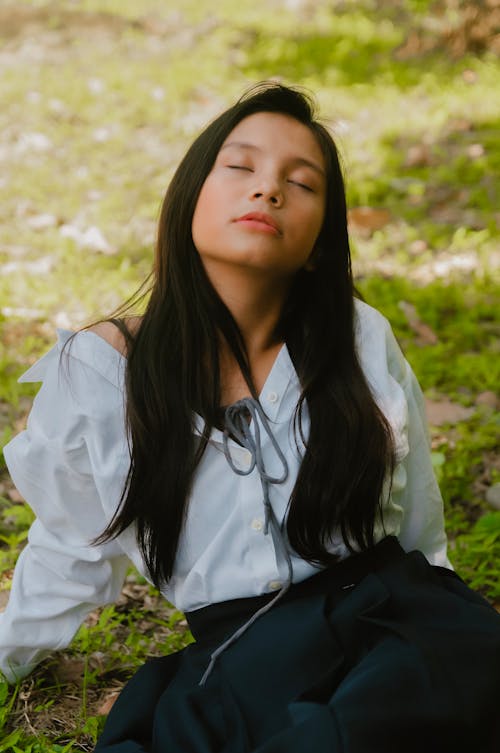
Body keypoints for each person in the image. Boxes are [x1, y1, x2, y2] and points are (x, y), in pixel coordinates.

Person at [1, 83, 499, 752]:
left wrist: (450, 622)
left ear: (322, 240)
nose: (267, 190)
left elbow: (417, 518)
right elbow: (68, 547)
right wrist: (9, 655)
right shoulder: (97, 372)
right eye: (241, 167)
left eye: (302, 183)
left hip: (391, 622)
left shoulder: (357, 336)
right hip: (240, 657)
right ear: (188, 201)